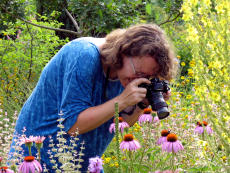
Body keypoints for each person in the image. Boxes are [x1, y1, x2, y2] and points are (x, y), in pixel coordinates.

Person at [9, 24, 178, 172]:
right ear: (123, 52)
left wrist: (142, 103)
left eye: (146, 77)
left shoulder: (125, 74)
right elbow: (72, 124)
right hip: (38, 160)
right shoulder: (84, 55)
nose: (139, 80)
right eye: (139, 73)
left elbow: (121, 120)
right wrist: (122, 100)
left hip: (83, 165)